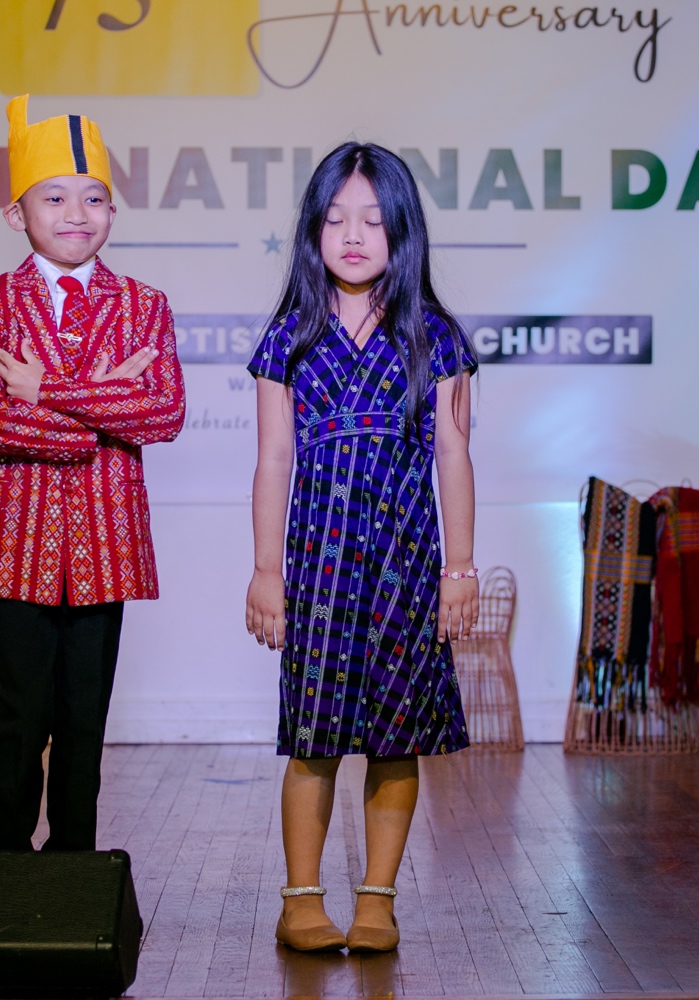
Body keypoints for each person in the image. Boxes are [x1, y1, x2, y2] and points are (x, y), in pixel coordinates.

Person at [244, 142, 479, 953]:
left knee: (397, 736)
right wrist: (266, 572)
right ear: (312, 231)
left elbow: (454, 455)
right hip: (317, 568)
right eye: (336, 219)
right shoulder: (289, 339)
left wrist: (459, 569)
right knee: (311, 740)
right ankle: (301, 900)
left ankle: (378, 900)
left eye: (374, 221)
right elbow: (273, 459)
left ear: (402, 232)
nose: (353, 235)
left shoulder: (434, 337)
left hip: (405, 567)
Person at [0, 95, 185, 852]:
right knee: (17, 713)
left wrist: (46, 391)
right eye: (54, 198)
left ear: (113, 211)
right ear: (16, 213)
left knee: (85, 714)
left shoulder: (143, 305)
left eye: (94, 199)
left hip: (105, 539)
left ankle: (76, 863)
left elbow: (163, 413)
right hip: (15, 538)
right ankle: (6, 866)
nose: (76, 214)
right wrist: (101, 411)